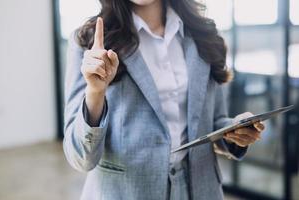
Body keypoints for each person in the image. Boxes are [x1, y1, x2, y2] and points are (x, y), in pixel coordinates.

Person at [63, 0, 265, 199]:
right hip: (127, 192)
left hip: (201, 189)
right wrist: (95, 92)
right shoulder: (89, 41)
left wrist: (235, 128)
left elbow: (215, 122)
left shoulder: (204, 34)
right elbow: (80, 157)